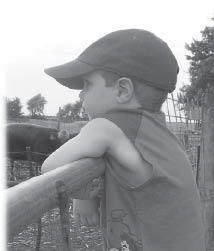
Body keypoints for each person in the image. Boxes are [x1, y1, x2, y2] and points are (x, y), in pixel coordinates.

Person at [42, 29, 205, 251]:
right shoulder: (158, 134)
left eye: (87, 84)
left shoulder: (106, 127)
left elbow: (50, 169)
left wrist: (82, 194)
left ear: (122, 90)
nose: (80, 95)